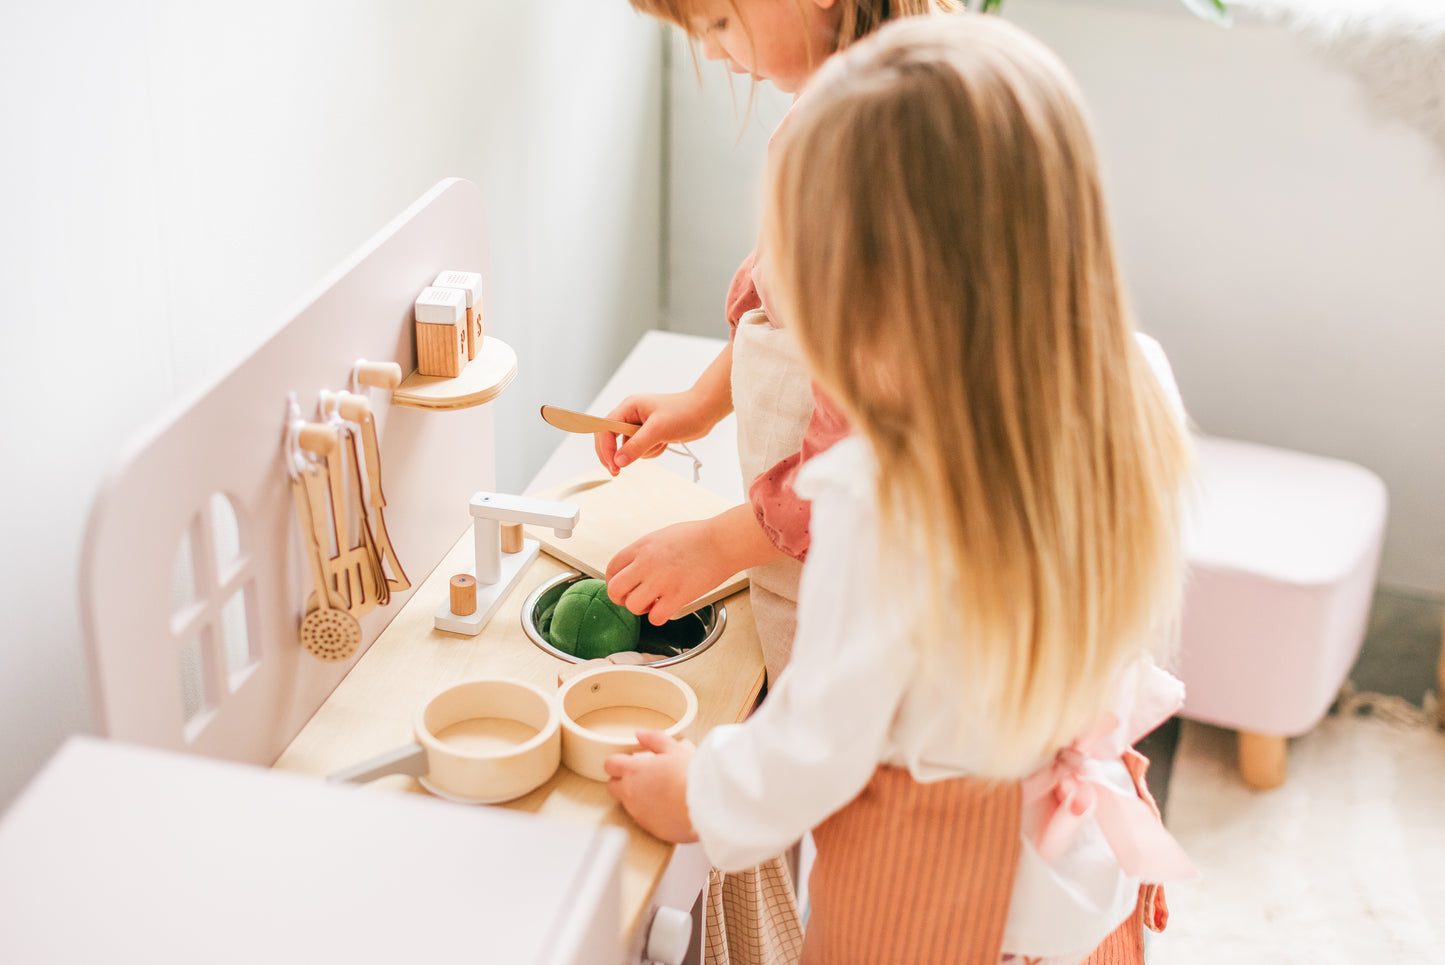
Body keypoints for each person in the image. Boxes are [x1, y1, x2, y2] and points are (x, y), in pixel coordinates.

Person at [606, 14, 1198, 965]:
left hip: (938, 888)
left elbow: (815, 743)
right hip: (1073, 866)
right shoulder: (1129, 385)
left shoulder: (880, 496)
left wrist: (698, 793)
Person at [599, 0, 962, 687]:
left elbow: (868, 445)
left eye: (718, 24)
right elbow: (784, 301)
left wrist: (717, 543)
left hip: (858, 572)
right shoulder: (833, 111)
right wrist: (701, 402)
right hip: (800, 539)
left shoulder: (870, 152)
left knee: (843, 743)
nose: (711, 53)